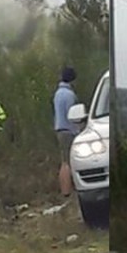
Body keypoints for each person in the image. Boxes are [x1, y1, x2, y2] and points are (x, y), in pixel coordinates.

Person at [53, 66, 80, 197]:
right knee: (69, 162)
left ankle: (65, 191)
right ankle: (68, 191)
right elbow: (72, 114)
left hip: (59, 130)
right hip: (69, 131)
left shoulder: (58, 93)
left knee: (64, 161)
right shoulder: (69, 95)